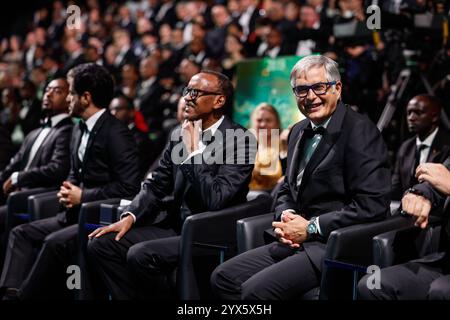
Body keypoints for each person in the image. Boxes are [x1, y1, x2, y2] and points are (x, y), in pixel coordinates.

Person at [210, 54, 391, 300]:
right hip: (296, 240)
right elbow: (286, 189)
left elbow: (372, 205)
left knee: (255, 293)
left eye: (319, 87)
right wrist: (287, 214)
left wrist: (311, 227)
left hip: (335, 244)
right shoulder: (297, 130)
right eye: (301, 90)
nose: (311, 96)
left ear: (337, 88)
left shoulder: (360, 130)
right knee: (223, 277)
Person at [87, 70, 256, 300]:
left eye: (196, 92)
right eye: (187, 90)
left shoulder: (241, 139)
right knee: (102, 244)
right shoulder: (179, 134)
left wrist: (195, 151)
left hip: (210, 230)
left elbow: (216, 199)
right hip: (175, 225)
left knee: (140, 254)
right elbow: (156, 183)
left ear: (219, 100)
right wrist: (129, 217)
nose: (187, 97)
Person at [0, 63, 141, 300]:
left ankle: (22, 297)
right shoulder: (78, 129)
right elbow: (75, 174)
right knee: (21, 232)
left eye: (72, 93)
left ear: (86, 98)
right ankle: (10, 291)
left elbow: (129, 187)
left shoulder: (117, 134)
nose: (68, 99)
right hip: (71, 214)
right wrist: (68, 189)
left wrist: (83, 196)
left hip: (99, 220)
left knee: (54, 242)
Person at [358, 159, 450, 300]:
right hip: (445, 260)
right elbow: (437, 181)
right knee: (372, 284)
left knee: (440, 291)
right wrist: (419, 194)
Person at [0, 78, 73, 231]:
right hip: (17, 192)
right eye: (47, 90)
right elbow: (15, 162)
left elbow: (57, 169)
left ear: (69, 99)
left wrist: (18, 178)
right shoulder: (34, 132)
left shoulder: (68, 131)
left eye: (57, 91)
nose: (49, 94)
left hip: (39, 195)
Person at [391, 94, 450, 200]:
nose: (411, 118)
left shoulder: (447, 146)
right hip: (407, 207)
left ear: (435, 116)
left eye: (417, 113)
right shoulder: (405, 147)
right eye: (409, 113)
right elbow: (395, 187)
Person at [109, 94, 156, 179]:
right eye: (111, 110)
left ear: (131, 112)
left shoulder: (141, 139)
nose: (113, 113)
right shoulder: (110, 136)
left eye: (118, 109)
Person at [248, 103, 284, 194]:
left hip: (275, 195)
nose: (263, 124)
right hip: (247, 195)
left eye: (268, 120)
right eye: (259, 120)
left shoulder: (285, 143)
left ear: (277, 123)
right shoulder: (244, 144)